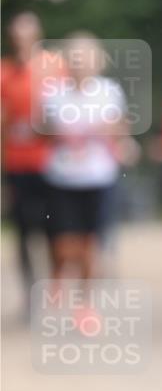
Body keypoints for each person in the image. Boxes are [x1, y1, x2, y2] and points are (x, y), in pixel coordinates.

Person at [42, 33, 128, 301]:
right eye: (76, 58)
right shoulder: (54, 94)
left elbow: (120, 129)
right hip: (63, 178)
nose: (81, 64)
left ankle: (85, 301)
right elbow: (43, 132)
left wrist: (113, 135)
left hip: (98, 177)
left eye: (87, 58)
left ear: (98, 61)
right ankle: (59, 272)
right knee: (64, 244)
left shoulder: (109, 92)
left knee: (91, 244)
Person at [1, 13, 62, 316]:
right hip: (17, 164)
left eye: (26, 36)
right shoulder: (5, 71)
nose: (21, 42)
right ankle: (30, 294)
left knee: (54, 230)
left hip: (51, 164)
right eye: (16, 37)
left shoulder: (56, 67)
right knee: (24, 232)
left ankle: (54, 289)